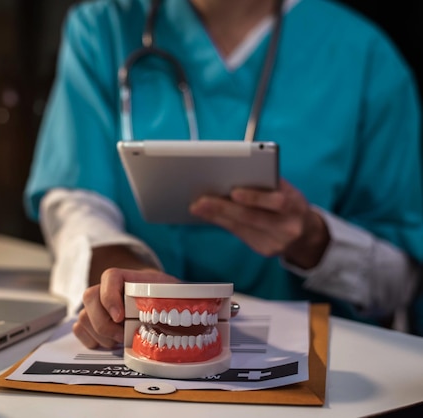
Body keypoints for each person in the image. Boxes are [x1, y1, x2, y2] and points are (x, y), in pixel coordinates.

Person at [24, 0, 423, 348]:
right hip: (140, 350)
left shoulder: (364, 55)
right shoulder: (104, 28)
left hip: (317, 361)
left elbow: (402, 280)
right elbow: (76, 198)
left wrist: (314, 241)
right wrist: (126, 283)